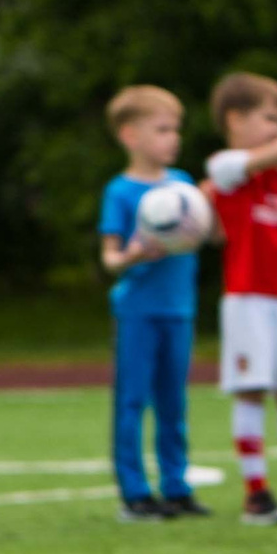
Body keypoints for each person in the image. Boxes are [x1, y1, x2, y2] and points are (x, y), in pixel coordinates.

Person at [202, 72, 277, 524]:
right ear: (235, 119)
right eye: (270, 118)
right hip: (248, 297)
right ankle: (256, 492)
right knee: (251, 391)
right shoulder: (227, 167)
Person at [97, 85, 209, 521]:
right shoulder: (120, 192)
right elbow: (109, 258)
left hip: (179, 309)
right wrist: (133, 255)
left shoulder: (183, 186)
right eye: (162, 129)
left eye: (175, 129)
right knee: (132, 401)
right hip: (138, 312)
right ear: (130, 136)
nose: (173, 138)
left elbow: (205, 231)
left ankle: (177, 487)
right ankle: (135, 492)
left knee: (173, 403)